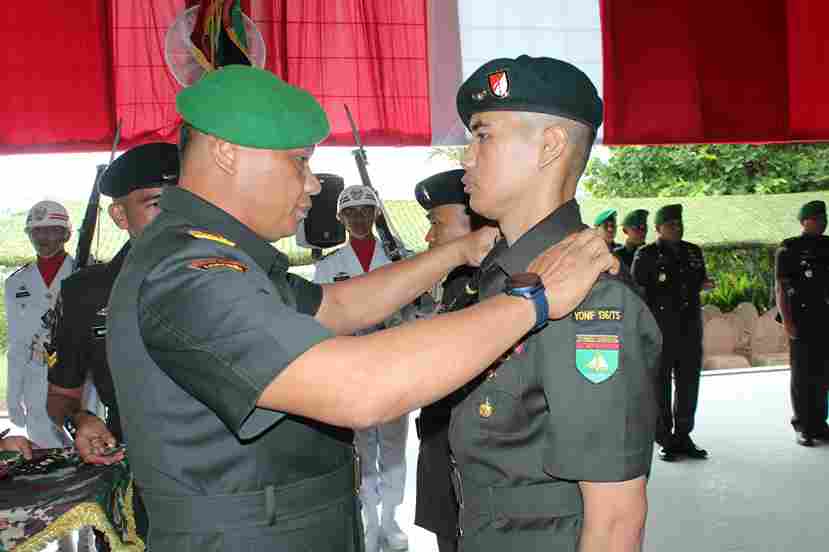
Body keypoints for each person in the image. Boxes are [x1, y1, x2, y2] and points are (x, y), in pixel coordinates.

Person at [105, 65, 616, 552]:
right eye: (299, 161)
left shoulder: (218, 255)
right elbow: (360, 388)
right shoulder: (189, 272)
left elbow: (336, 305)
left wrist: (459, 251)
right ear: (227, 152)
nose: (312, 183)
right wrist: (536, 297)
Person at [451, 55, 662, 551]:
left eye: (483, 136)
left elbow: (615, 521)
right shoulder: (501, 276)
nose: (466, 158)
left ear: (549, 146)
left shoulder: (591, 301)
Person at [46, 143, 179, 549]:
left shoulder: (233, 275)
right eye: (157, 203)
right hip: (137, 476)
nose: (176, 215)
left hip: (233, 483)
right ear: (120, 216)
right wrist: (81, 420)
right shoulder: (87, 292)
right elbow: (61, 395)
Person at [313, 185, 410, 552]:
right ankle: (370, 519)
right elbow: (320, 318)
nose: (358, 218)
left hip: (394, 361)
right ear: (340, 217)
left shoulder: (400, 258)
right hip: (352, 365)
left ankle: (391, 521)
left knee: (394, 448)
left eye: (366, 211)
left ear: (376, 214)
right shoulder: (328, 266)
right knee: (363, 448)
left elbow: (417, 308)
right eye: (351, 212)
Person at [4, 200, 97, 552]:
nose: (44, 237)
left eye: (53, 231)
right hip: (35, 379)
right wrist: (13, 396)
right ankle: (61, 538)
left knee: (85, 458)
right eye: (37, 231)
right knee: (47, 461)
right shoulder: (17, 282)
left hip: (79, 383)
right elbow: (16, 343)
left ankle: (87, 533)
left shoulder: (88, 275)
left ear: (67, 235)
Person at [412, 169, 494, 552]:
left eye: (436, 223)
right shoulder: (459, 283)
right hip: (443, 446)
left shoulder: (491, 288)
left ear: (475, 224)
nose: (429, 236)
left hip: (471, 460)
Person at [632, 204, 714, 462]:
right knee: (661, 384)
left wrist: (705, 284)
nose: (677, 228)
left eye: (679, 223)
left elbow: (699, 281)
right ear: (658, 228)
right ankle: (665, 438)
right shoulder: (646, 254)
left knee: (689, 382)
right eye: (671, 225)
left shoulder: (693, 251)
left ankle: (683, 435)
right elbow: (637, 292)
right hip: (660, 329)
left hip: (689, 328)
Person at [774, 200, 829, 447]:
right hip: (801, 319)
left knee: (824, 373)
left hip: (825, 317)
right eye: (817, 218)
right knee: (802, 373)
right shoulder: (789, 248)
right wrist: (787, 321)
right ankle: (803, 425)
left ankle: (820, 423)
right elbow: (780, 288)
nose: (823, 222)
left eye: (824, 218)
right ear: (804, 221)